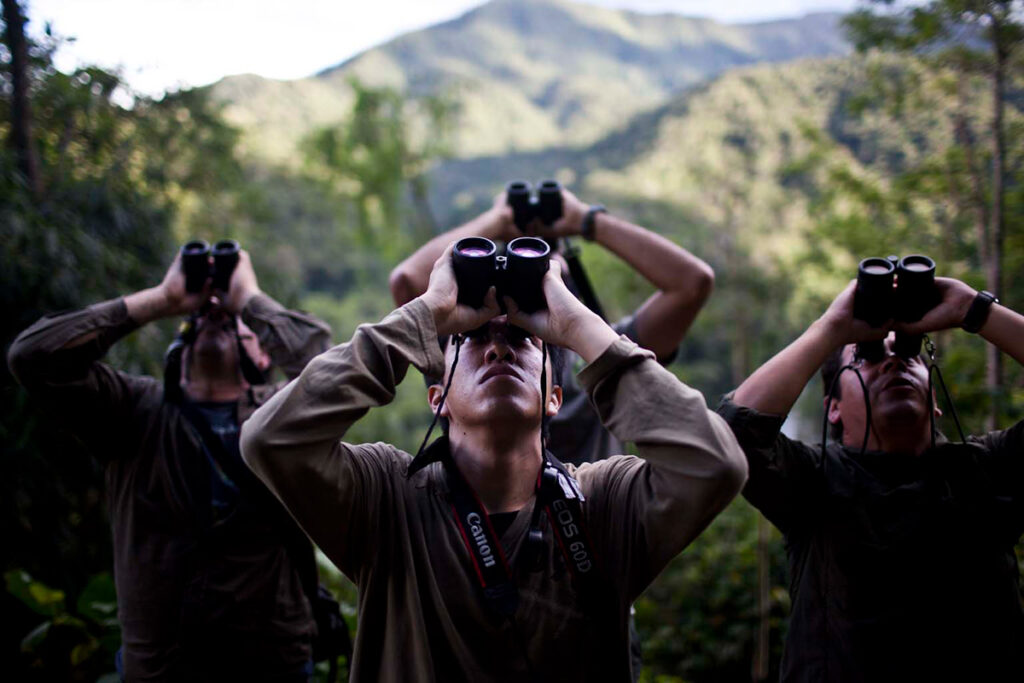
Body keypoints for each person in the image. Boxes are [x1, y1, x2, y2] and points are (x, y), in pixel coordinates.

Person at [240, 244, 747, 682]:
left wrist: (577, 325)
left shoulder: (602, 503)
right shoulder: (387, 496)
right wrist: (427, 314)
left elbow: (716, 464)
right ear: (436, 397)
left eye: (523, 341)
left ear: (554, 398)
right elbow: (272, 439)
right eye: (474, 339)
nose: (499, 350)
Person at [8, 248, 332, 681]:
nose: (213, 317)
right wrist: (161, 299)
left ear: (264, 359)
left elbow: (329, 368)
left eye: (233, 322)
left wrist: (249, 298)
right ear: (176, 348)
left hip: (272, 667)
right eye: (197, 318)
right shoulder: (132, 411)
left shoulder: (279, 413)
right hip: (161, 670)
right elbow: (32, 356)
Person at [716, 276, 1024, 681]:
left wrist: (976, 310)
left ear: (934, 401)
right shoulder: (812, 482)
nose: (894, 361)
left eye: (910, 354)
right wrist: (832, 328)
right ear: (833, 409)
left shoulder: (988, 469)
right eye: (868, 357)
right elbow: (733, 432)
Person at [388, 186, 714, 465]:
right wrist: (500, 222)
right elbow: (406, 284)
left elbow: (693, 283)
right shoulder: (462, 355)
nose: (500, 349)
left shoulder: (603, 351)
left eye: (552, 275)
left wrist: (586, 221)